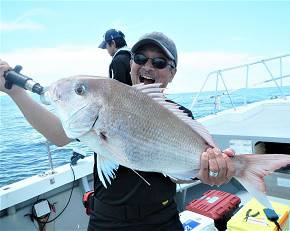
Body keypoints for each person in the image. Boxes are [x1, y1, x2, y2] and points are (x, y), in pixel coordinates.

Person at [0, 32, 235, 231]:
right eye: (140, 58)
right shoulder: (107, 101)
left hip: (162, 218)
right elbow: (59, 135)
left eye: (159, 63)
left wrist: (211, 172)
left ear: (172, 72)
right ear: (131, 62)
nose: (147, 67)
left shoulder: (181, 116)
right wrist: (16, 93)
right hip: (107, 219)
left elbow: (184, 173)